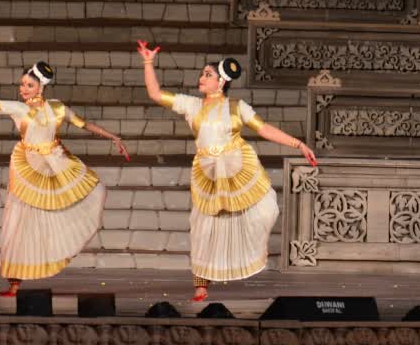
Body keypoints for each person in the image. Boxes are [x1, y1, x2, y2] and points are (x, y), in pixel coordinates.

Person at [136, 41, 318, 302]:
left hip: (235, 166)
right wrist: (147, 62)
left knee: (267, 209)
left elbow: (263, 129)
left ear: (221, 81)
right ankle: (201, 283)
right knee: (200, 226)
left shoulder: (237, 106)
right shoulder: (191, 105)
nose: (201, 77)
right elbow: (155, 94)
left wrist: (297, 144)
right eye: (202, 73)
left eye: (207, 74)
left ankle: (253, 253)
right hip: (207, 172)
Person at [0, 60, 129, 297]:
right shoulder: (18, 109)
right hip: (28, 169)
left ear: (40, 87)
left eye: (28, 85)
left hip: (54, 162)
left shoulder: (57, 108)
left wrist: (113, 137)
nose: (23, 89)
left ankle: (57, 251)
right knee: (18, 221)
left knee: (90, 193)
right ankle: (14, 282)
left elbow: (83, 124)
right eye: (22, 84)